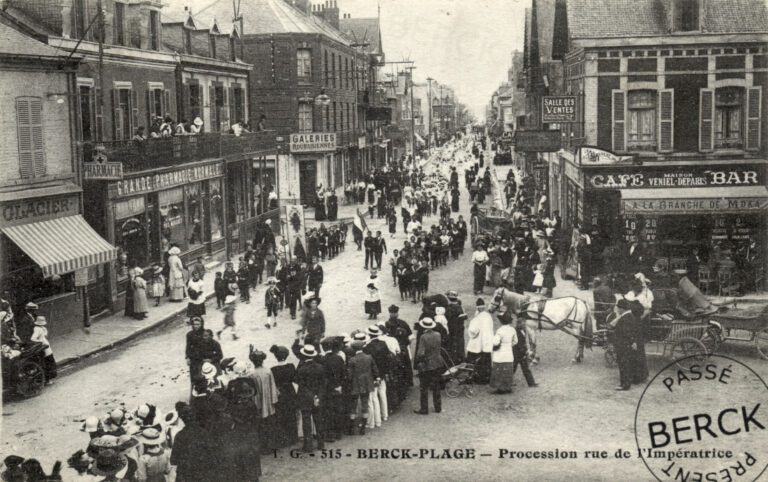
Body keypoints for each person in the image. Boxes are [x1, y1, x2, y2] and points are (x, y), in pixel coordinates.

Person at [295, 344, 326, 452]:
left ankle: (308, 445)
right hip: (318, 397)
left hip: (305, 398)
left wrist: (312, 396)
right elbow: (323, 384)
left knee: (306, 421)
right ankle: (321, 443)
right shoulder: (320, 367)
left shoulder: (302, 369)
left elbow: (299, 383)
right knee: (318, 420)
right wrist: (318, 397)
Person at [269, 345, 298, 448]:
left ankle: (283, 439)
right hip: (290, 391)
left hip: (280, 393)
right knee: (291, 415)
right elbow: (295, 379)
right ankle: (293, 438)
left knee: (281, 416)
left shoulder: (273, 369)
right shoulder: (291, 366)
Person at [609, 299, 641, 391]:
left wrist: (631, 342)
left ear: (622, 308)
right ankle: (625, 383)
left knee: (624, 364)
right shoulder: (628, 316)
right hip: (625, 345)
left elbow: (627, 332)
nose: (617, 309)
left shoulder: (625, 318)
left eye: (618, 307)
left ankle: (625, 384)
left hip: (623, 345)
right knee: (625, 364)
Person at [413, 317, 442, 415]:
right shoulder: (438, 334)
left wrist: (419, 361)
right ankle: (438, 407)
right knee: (436, 386)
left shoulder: (423, 337)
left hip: (427, 365)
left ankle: (424, 409)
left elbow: (421, 353)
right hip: (437, 363)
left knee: (424, 387)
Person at [347, 340, 377, 435]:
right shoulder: (369, 357)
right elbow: (375, 370)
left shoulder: (352, 360)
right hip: (366, 384)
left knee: (353, 406)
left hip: (355, 385)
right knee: (365, 405)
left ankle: (351, 428)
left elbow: (349, 375)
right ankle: (363, 428)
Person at [363, 325, 390, 429]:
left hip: (373, 375)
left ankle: (375, 420)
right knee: (382, 394)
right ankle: (385, 415)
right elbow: (387, 359)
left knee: (373, 398)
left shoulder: (367, 347)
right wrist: (386, 372)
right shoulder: (383, 344)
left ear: (369, 334)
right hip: (382, 373)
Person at [466, 298, 494, 384]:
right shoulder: (489, 316)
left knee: (474, 358)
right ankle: (486, 377)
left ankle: (476, 377)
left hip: (478, 343)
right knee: (486, 360)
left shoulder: (477, 318)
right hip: (486, 343)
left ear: (477, 308)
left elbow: (473, 331)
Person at [512, 315, 538, 388]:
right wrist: (525, 351)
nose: (524, 325)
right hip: (517, 353)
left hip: (520, 353)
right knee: (515, 369)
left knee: (525, 369)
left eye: (524, 324)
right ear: (519, 324)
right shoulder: (516, 331)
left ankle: (532, 383)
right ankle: (531, 383)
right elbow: (518, 343)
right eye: (523, 324)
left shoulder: (522, 330)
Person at [30, 316, 56, 384]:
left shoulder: (42, 328)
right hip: (44, 348)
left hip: (47, 347)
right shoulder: (37, 329)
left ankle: (49, 379)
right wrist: (40, 341)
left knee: (49, 362)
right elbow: (33, 338)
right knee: (48, 363)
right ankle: (47, 380)